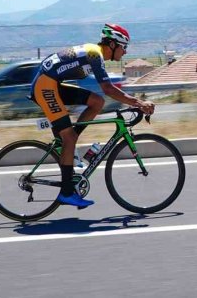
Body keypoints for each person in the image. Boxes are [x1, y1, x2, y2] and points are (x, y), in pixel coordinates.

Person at [31, 23, 155, 208]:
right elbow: (108, 88)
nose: (125, 52)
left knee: (97, 102)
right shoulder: (94, 54)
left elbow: (104, 92)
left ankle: (69, 144)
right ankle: (66, 192)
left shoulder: (94, 53)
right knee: (70, 137)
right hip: (45, 86)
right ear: (112, 45)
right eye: (124, 47)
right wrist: (138, 103)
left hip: (51, 83)